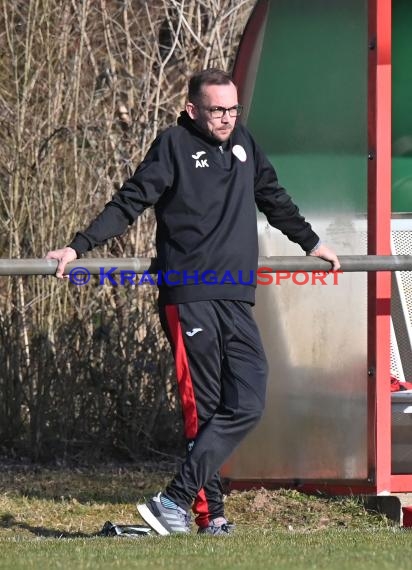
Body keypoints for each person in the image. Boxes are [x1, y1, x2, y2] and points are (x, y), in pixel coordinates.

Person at [46, 68, 340, 536]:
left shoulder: (245, 142)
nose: (226, 118)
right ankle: (209, 515)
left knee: (247, 400)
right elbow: (129, 201)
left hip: (237, 297)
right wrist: (78, 247)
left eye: (232, 108)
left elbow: (273, 197)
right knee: (202, 408)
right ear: (192, 110)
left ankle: (174, 501)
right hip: (190, 296)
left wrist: (310, 241)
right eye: (216, 110)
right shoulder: (173, 145)